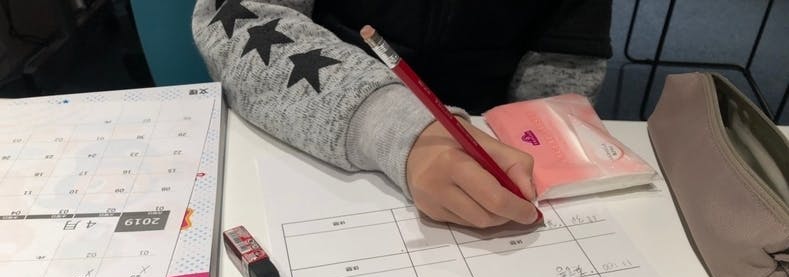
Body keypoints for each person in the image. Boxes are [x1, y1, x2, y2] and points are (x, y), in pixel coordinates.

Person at [192, 0, 612, 227]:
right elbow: (238, 22)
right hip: (319, 147)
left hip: (493, 148)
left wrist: (539, 147)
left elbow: (564, 70)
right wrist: (394, 127)